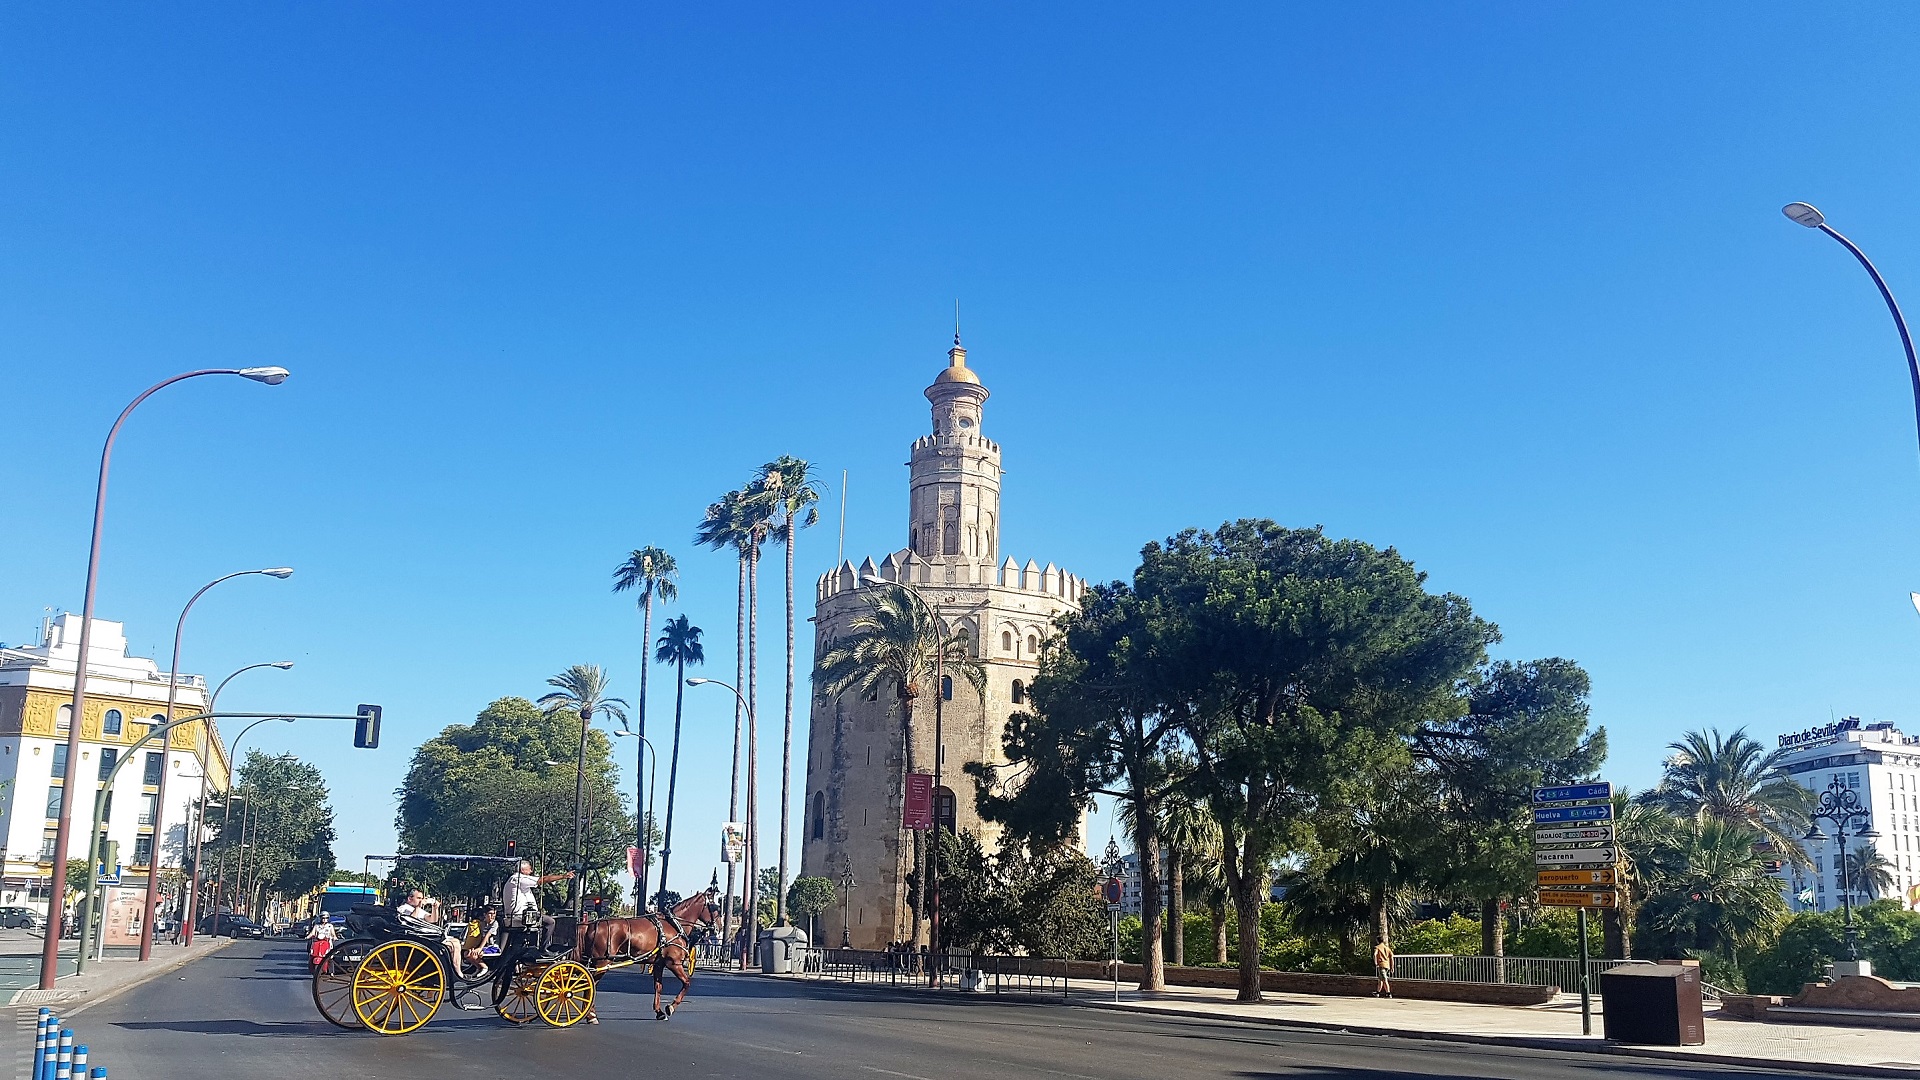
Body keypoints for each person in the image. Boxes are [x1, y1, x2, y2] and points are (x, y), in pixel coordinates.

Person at [500, 860, 571, 951]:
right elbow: (542, 880)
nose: (531, 872)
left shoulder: (513, 880)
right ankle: (543, 949)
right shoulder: (520, 878)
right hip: (522, 917)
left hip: (514, 917)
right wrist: (563, 876)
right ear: (522, 870)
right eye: (529, 869)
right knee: (550, 922)